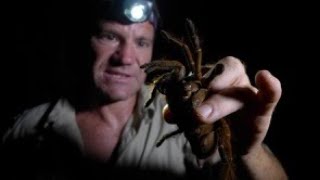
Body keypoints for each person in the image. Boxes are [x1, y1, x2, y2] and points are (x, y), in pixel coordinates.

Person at [1, 0, 288, 179]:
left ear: (153, 51)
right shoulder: (28, 129)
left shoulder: (176, 115)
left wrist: (249, 151)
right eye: (109, 36)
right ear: (83, 42)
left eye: (141, 42)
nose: (125, 58)